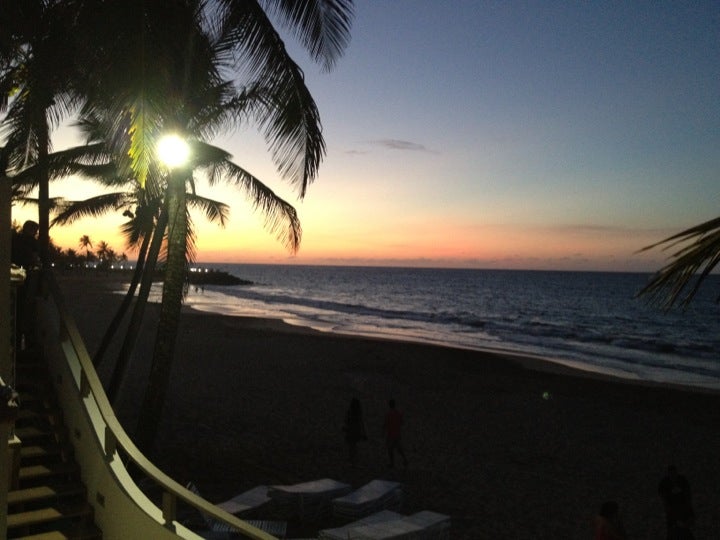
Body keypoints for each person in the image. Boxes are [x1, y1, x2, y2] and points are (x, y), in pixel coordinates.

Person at [658, 465, 695, 539]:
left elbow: (687, 491)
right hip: (671, 505)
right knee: (672, 526)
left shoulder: (682, 479)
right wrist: (666, 504)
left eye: (674, 473)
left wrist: (688, 501)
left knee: (684, 524)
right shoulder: (664, 482)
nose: (672, 475)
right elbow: (662, 494)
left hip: (682, 504)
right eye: (671, 473)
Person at [383, 398, 408, 469]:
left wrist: (383, 432)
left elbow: (385, 424)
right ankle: (404, 459)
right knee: (399, 448)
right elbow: (402, 422)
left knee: (390, 449)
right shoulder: (398, 413)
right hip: (397, 433)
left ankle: (392, 463)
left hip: (391, 434)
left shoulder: (388, 414)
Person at [342, 397, 367, 466]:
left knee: (351, 446)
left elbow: (346, 420)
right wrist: (364, 432)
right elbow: (361, 422)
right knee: (354, 445)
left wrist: (345, 427)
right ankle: (354, 460)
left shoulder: (349, 411)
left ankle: (351, 460)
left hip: (350, 430)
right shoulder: (358, 412)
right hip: (357, 430)